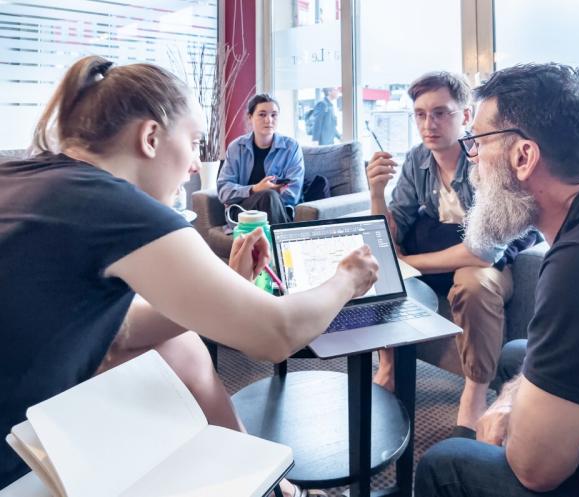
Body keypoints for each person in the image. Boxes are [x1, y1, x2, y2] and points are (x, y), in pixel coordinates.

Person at [0, 56, 379, 497]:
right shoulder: (114, 206)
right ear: (151, 136)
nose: (197, 165)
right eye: (196, 142)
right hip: (17, 460)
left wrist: (224, 285)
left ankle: (268, 485)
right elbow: (276, 334)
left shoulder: (26, 175)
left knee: (177, 344)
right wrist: (348, 279)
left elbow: (117, 332)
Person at [414, 63, 579, 497]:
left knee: (446, 463)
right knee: (516, 354)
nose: (472, 159)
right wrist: (510, 398)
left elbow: (536, 471)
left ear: (523, 156)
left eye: (477, 142)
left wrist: (507, 410)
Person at [367, 71, 536, 435]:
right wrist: (377, 192)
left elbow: (484, 252)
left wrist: (407, 262)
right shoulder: (417, 161)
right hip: (443, 253)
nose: (430, 124)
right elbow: (389, 234)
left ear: (465, 114)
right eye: (421, 114)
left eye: (441, 113)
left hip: (490, 257)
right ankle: (389, 364)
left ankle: (474, 394)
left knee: (473, 282)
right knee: (377, 266)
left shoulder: (485, 157)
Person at [217, 94, 304, 225]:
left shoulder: (291, 148)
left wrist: (272, 193)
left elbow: (293, 193)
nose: (269, 120)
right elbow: (224, 190)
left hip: (279, 210)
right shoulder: (236, 147)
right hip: (244, 211)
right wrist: (255, 189)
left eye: (274, 115)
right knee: (268, 195)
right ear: (250, 117)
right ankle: (281, 242)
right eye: (262, 114)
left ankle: (273, 242)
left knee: (270, 197)